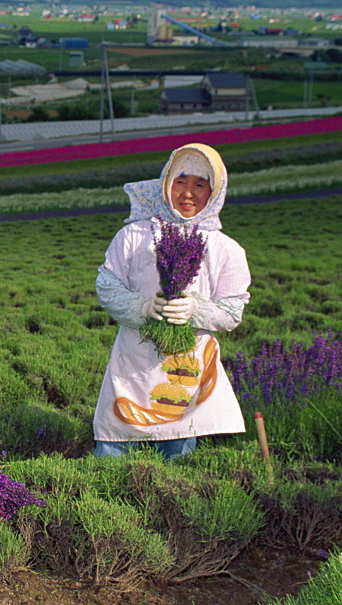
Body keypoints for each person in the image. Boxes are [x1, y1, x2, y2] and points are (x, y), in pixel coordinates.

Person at [92, 143, 251, 460]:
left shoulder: (226, 249)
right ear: (165, 184)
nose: (188, 193)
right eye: (181, 181)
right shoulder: (134, 235)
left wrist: (196, 309)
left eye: (200, 184)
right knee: (113, 450)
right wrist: (144, 308)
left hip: (185, 370)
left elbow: (232, 312)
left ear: (215, 192)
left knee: (177, 453)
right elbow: (107, 286)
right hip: (132, 365)